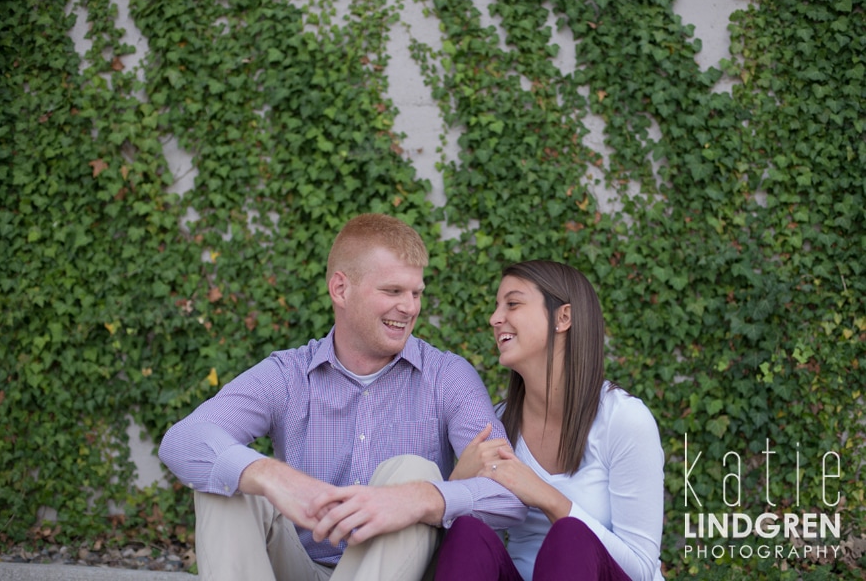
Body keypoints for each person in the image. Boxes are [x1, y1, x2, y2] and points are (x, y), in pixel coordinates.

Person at [158, 213, 526, 581]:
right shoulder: (288, 375)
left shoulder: (447, 376)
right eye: (393, 291)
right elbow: (183, 438)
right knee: (226, 478)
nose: (410, 307)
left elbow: (510, 495)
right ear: (340, 289)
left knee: (414, 472)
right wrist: (269, 475)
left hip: (403, 571)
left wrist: (419, 498)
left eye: (416, 293)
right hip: (299, 566)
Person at [434, 260, 665, 581]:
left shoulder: (623, 419)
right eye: (497, 306)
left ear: (563, 317)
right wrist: (458, 482)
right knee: (467, 534)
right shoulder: (498, 424)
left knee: (570, 536)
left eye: (512, 304)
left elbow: (640, 569)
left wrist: (546, 496)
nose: (494, 318)